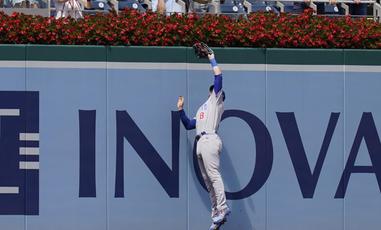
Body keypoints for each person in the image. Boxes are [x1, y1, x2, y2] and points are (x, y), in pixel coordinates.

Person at [176, 45, 230, 230]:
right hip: (200, 142)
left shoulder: (217, 100)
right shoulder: (203, 108)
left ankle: (222, 208)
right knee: (208, 181)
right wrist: (181, 110)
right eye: (212, 90)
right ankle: (216, 214)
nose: (212, 91)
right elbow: (189, 125)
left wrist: (211, 58)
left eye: (214, 90)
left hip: (210, 140)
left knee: (214, 176)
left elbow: (218, 77)